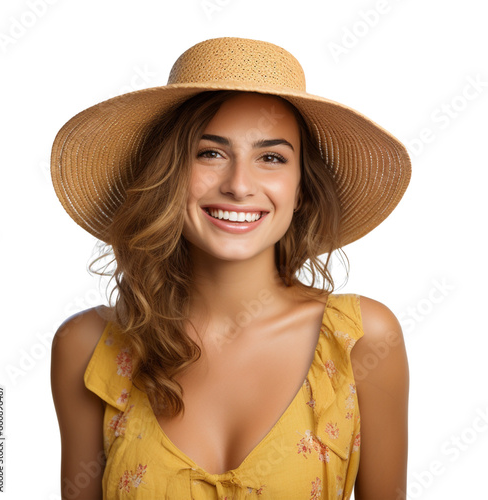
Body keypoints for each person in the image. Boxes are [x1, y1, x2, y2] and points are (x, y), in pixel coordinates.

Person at [50, 37, 410, 500]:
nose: (239, 185)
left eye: (272, 157)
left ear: (300, 188)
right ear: (170, 173)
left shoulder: (361, 340)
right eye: (211, 153)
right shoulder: (87, 347)